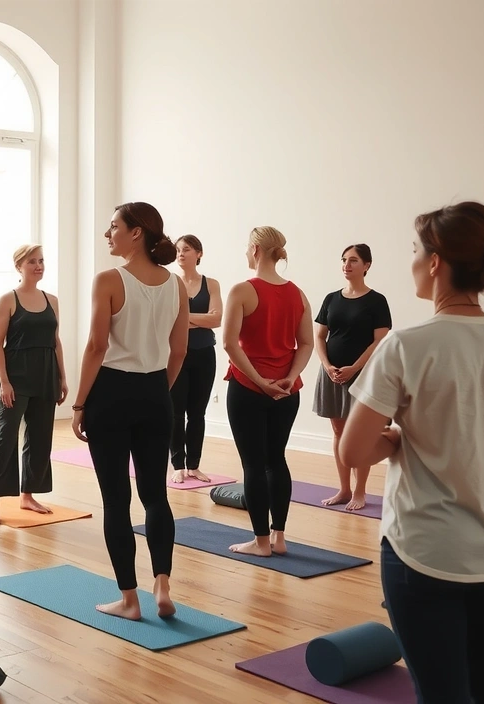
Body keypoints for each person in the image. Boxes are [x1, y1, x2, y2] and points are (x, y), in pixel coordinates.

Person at [340, 201, 484, 703]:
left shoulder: (408, 346)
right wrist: (470, 436)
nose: (411, 260)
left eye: (414, 250)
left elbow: (354, 450)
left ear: (435, 262)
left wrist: (406, 438)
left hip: (426, 556)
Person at [72, 202, 188, 620]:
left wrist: (80, 403)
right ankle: (162, 584)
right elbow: (179, 351)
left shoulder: (109, 279)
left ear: (136, 233)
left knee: (116, 501)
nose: (108, 234)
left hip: (112, 395)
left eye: (114, 227)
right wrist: (158, 391)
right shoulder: (176, 285)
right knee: (156, 496)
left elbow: (96, 347)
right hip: (157, 393)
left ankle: (129, 600)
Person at [221, 226, 313, 557]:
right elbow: (306, 344)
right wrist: (290, 377)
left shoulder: (242, 290)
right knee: (276, 459)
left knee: (253, 464)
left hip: (248, 388)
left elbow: (230, 343)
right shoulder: (298, 294)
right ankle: (279, 537)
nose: (246, 253)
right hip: (287, 392)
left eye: (248, 247)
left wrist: (261, 382)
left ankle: (260, 542)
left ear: (257, 249)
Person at [0, 244, 67, 526]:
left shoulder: (52, 300)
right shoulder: (8, 300)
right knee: (6, 436)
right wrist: (4, 382)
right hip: (16, 377)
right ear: (19, 266)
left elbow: (56, 341)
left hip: (45, 375)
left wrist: (62, 377)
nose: (39, 266)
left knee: (41, 436)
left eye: (41, 260)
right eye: (32, 261)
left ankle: (28, 495)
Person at [312, 244, 392, 510]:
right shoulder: (331, 298)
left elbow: (380, 341)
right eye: (344, 260)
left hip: (363, 375)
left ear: (367, 265)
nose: (347, 265)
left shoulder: (376, 301)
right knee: (338, 430)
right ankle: (344, 489)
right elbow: (320, 336)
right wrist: (326, 365)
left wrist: (354, 368)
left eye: (353, 260)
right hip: (332, 373)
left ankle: (360, 492)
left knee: (361, 435)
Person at [170, 235, 222, 483]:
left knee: (197, 413)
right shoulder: (169, 282)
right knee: (176, 412)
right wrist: (199, 319)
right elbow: (165, 320)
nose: (181, 254)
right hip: (176, 354)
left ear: (198, 254)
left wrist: (184, 319)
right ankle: (178, 464)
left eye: (187, 249)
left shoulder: (211, 284)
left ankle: (194, 465)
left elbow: (217, 319)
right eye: (178, 250)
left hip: (204, 355)